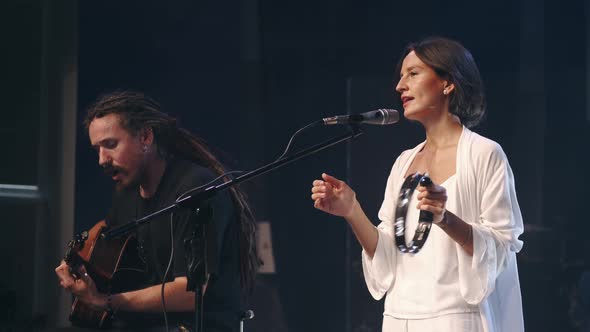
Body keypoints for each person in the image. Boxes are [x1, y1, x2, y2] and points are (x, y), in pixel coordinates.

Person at [311, 37, 524, 332]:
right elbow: (387, 254)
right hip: (399, 316)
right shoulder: (404, 162)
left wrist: (444, 218)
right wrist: (352, 210)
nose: (400, 86)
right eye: (400, 76)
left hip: (454, 316)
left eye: (413, 73)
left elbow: (501, 246)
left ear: (448, 83)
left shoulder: (484, 153)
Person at [54, 91, 259, 332]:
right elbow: (105, 237)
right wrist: (75, 261)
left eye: (110, 145)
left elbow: (190, 292)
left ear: (145, 136)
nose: (102, 159)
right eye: (97, 149)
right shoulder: (126, 192)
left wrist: (107, 301)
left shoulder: (196, 189)